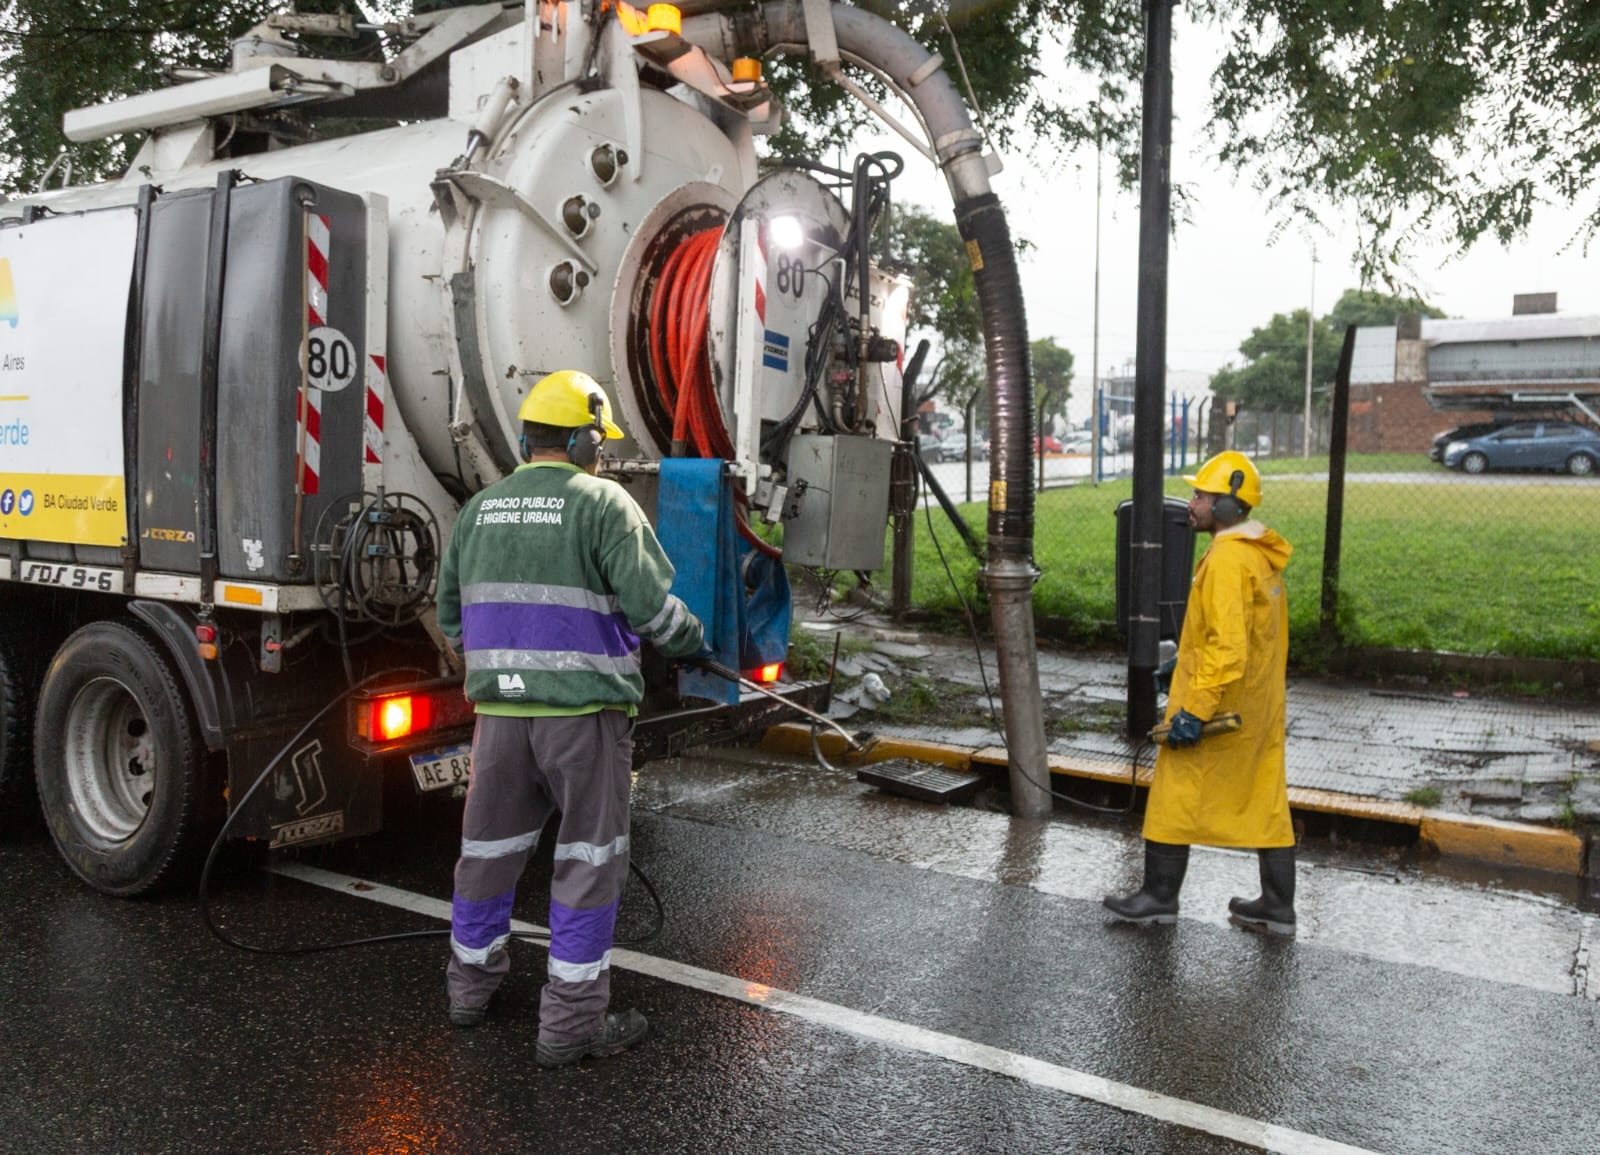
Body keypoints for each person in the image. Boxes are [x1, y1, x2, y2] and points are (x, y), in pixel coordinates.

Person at [436, 369, 706, 1065]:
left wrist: (502, 665)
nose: (604, 454)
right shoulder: (604, 504)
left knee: (488, 855)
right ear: (584, 437)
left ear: (529, 439)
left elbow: (451, 618)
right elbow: (651, 609)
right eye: (600, 440)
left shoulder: (479, 510)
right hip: (582, 721)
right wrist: (693, 640)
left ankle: (468, 991)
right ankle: (571, 1025)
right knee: (588, 864)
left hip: (498, 719)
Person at [1103, 450, 1298, 936]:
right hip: (1255, 705)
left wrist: (1192, 710)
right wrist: (1179, 666)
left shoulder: (1230, 560)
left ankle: (1157, 898)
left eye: (1201, 496)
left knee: (1173, 796)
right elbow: (1238, 637)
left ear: (1229, 505)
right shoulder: (1254, 553)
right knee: (1265, 802)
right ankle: (1276, 906)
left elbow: (1228, 648)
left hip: (1220, 708)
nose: (1191, 503)